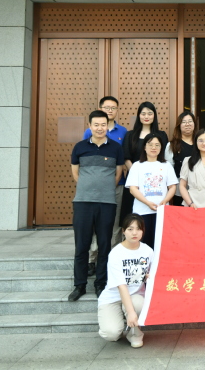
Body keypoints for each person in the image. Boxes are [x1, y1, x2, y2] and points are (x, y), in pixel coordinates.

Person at [69, 110, 124, 301]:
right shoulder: (80, 147)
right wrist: (89, 188)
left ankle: (101, 283)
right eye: (96, 125)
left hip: (107, 203)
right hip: (83, 202)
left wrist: (103, 189)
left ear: (107, 126)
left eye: (103, 124)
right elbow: (75, 173)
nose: (100, 128)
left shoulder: (116, 148)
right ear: (90, 126)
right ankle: (79, 285)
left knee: (104, 245)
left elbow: (118, 174)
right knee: (81, 246)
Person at [83, 96, 128, 277]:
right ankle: (92, 259)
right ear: (100, 108)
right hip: (94, 188)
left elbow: (122, 161)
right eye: (106, 107)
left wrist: (114, 183)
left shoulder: (123, 131)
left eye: (113, 108)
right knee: (95, 224)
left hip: (117, 186)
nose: (110, 110)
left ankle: (112, 259)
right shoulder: (89, 132)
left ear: (117, 110)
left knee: (115, 224)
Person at [97, 213, 152, 348]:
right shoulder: (116, 253)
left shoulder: (148, 251)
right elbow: (121, 286)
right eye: (130, 229)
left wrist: (149, 276)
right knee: (111, 334)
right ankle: (122, 318)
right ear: (123, 231)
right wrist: (131, 313)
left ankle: (135, 333)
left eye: (138, 229)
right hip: (113, 297)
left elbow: (154, 274)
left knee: (138, 304)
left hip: (135, 296)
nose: (135, 233)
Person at [126, 133, 178, 249]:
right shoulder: (137, 165)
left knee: (160, 244)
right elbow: (133, 189)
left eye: (157, 145)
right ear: (144, 147)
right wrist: (147, 202)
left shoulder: (166, 165)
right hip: (142, 211)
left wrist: (165, 201)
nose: (153, 147)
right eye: (150, 145)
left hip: (161, 211)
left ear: (161, 148)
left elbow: (172, 187)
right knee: (143, 243)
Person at [121, 102, 169, 225]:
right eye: (143, 114)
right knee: (132, 218)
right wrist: (137, 174)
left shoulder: (162, 135)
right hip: (135, 181)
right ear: (138, 115)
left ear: (154, 116)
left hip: (156, 182)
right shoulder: (130, 135)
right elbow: (126, 157)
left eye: (149, 113)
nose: (146, 116)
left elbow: (163, 157)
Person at [165, 111, 195, 207]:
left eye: (190, 121)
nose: (187, 124)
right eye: (184, 122)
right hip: (179, 190)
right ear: (179, 125)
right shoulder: (172, 145)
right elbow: (168, 169)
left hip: (198, 189)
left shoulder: (200, 143)